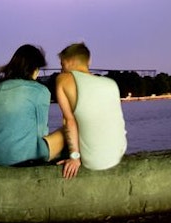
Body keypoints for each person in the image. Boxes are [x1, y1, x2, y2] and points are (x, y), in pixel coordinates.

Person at [54, 42, 127, 179]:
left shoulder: (63, 79)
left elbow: (69, 122)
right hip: (118, 153)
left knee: (63, 131)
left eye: (62, 64)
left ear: (70, 61)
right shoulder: (111, 84)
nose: (61, 69)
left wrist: (74, 157)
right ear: (89, 61)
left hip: (94, 161)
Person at [0, 44, 66, 166]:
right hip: (24, 157)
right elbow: (41, 131)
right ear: (34, 68)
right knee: (69, 129)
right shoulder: (40, 91)